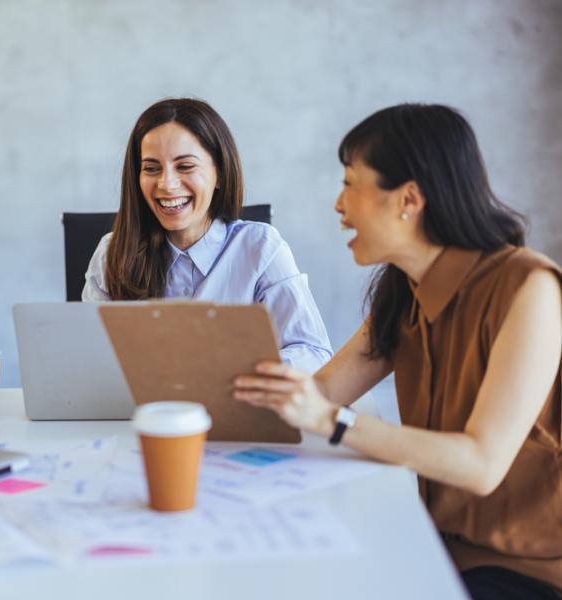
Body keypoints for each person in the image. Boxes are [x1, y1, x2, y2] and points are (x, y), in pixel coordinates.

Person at [233, 104, 561, 599]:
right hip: (426, 541)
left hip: (521, 567)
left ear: (408, 198)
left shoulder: (528, 288)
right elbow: (320, 391)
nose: (338, 206)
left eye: (350, 183)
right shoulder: (402, 291)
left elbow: (480, 464)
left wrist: (334, 422)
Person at [83, 98, 332, 372]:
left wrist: (237, 370)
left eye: (185, 166)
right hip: (138, 414)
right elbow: (93, 362)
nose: (167, 184)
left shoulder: (260, 248)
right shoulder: (112, 252)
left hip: (235, 411)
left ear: (220, 174)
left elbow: (313, 354)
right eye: (151, 168)